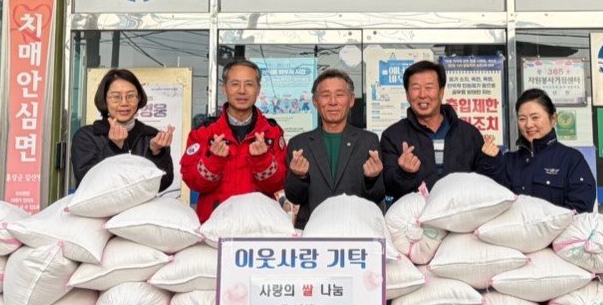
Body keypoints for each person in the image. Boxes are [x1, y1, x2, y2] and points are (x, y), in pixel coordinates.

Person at [180, 59, 288, 222]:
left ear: (258, 89)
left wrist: (262, 160)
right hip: (216, 223)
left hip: (260, 223)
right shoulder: (204, 132)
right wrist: (214, 161)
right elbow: (193, 183)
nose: (242, 91)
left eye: (249, 84)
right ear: (224, 88)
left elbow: (279, 184)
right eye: (235, 84)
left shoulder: (272, 132)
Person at [284, 69, 385, 229]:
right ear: (315, 102)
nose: (333, 102)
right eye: (325, 95)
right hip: (313, 231)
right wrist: (299, 176)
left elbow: (377, 196)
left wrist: (372, 179)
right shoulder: (299, 144)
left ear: (351, 100)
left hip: (356, 230)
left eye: (339, 95)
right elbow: (294, 197)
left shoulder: (368, 141)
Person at [478, 88, 596, 212]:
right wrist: (491, 162)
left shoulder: (571, 160)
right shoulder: (507, 161)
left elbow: (580, 209)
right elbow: (487, 201)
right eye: (522, 119)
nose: (529, 125)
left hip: (557, 225)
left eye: (535, 117)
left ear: (553, 119)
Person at [380, 60, 484, 198]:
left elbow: (485, 182)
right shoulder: (392, 136)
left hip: (461, 210)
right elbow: (386, 187)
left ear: (441, 92)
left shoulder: (469, 134)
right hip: (415, 211)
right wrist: (403, 173)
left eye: (429, 87)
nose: (422, 94)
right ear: (407, 95)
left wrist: (494, 160)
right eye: (416, 88)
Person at [71, 68, 174, 190]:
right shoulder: (87, 136)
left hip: (143, 203)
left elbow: (163, 184)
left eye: (130, 96)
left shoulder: (152, 136)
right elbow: (85, 180)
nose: (124, 103)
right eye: (116, 97)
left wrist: (157, 154)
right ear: (104, 99)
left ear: (139, 98)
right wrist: (113, 147)